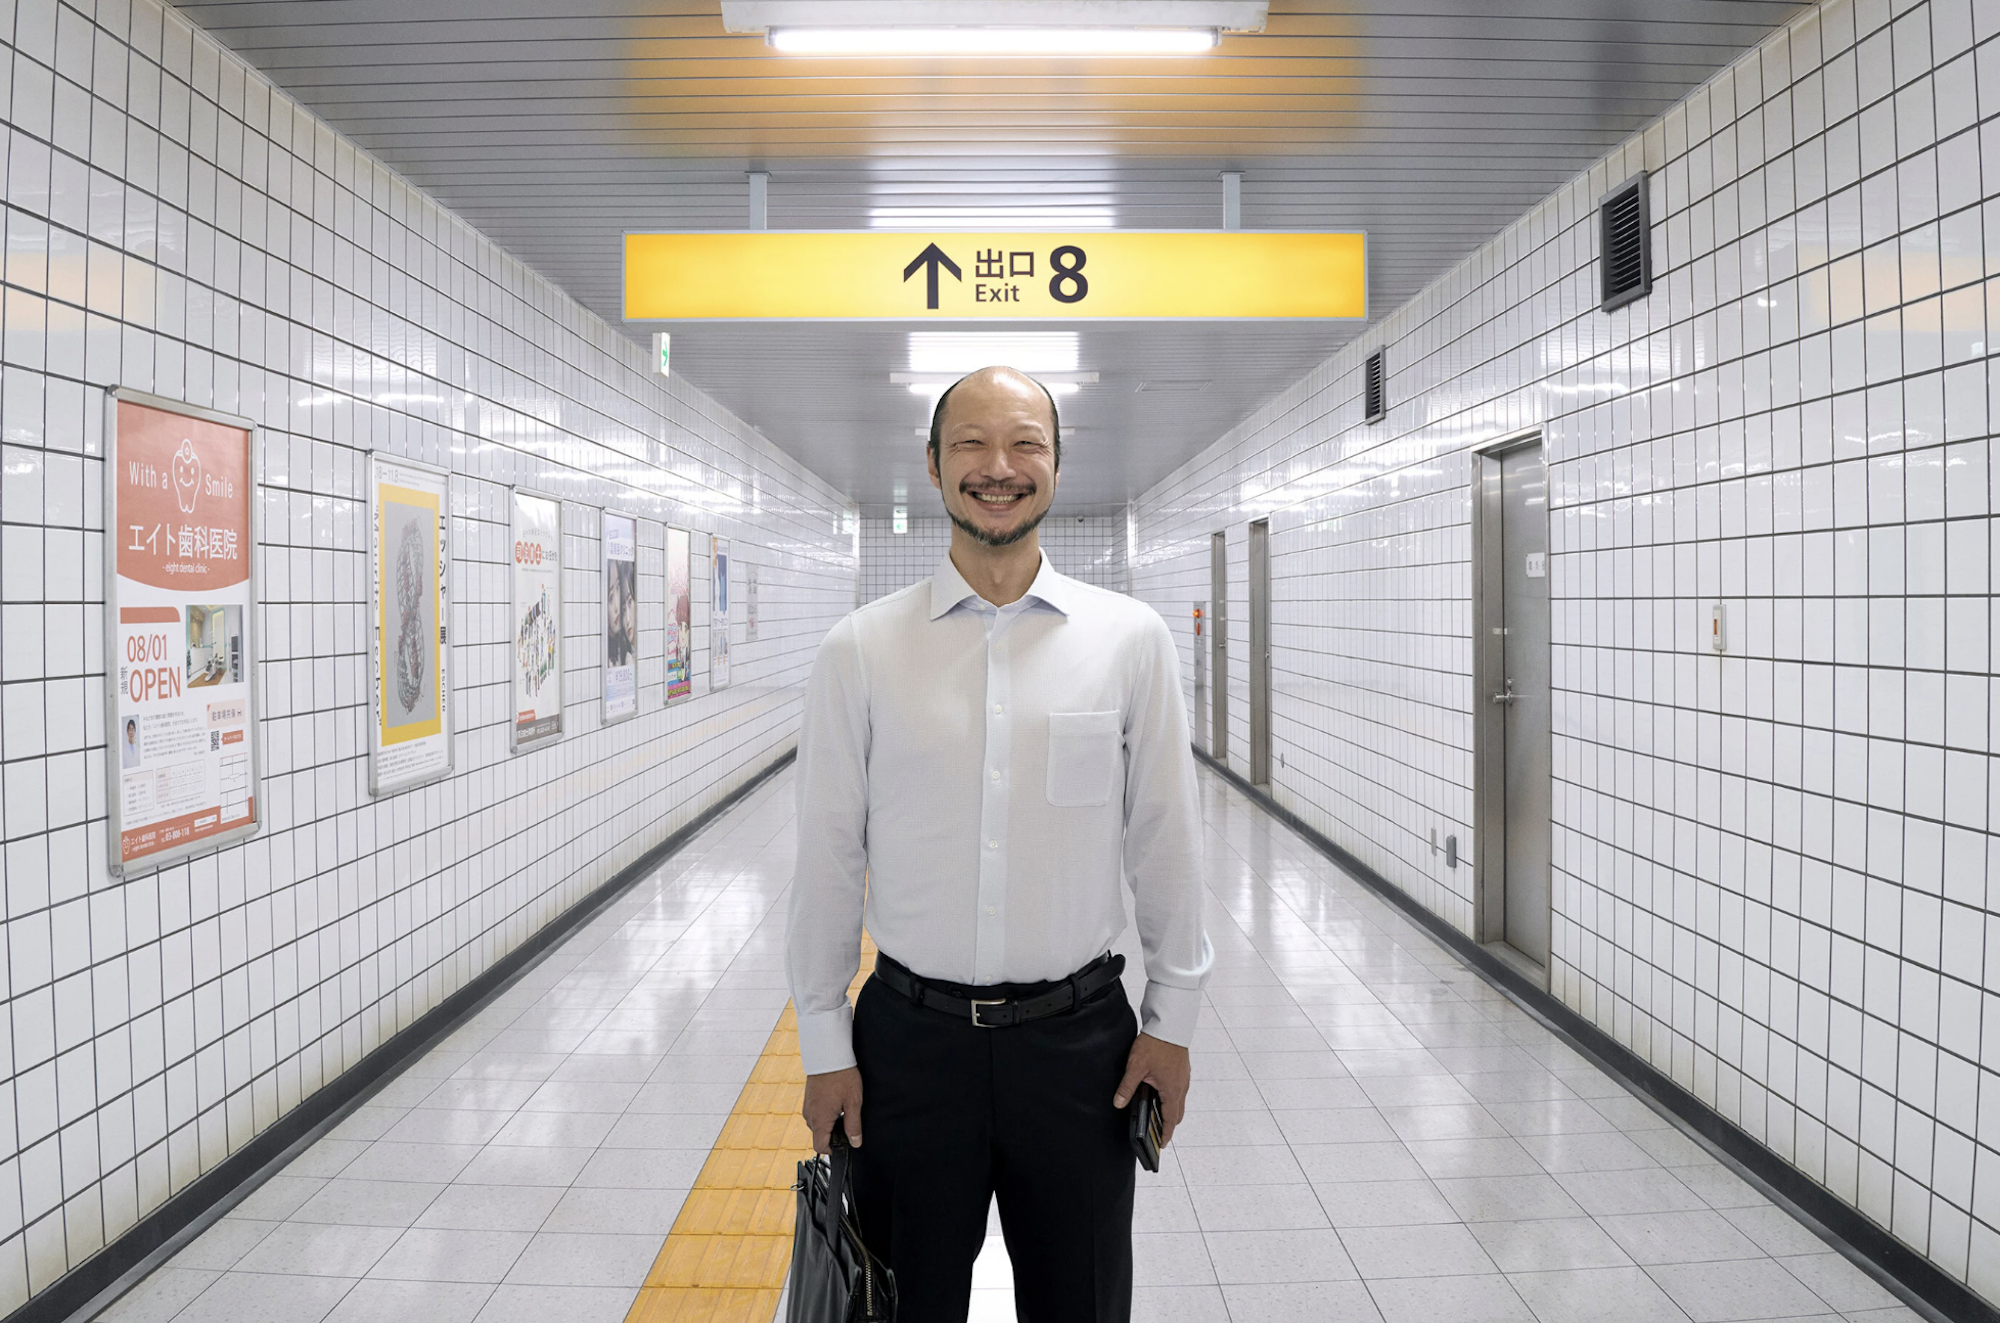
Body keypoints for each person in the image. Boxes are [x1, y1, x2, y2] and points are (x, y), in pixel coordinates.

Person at [787, 365, 1212, 1322]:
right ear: (933, 466)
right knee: (898, 1304)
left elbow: (1167, 844)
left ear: (1057, 465)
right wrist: (824, 1038)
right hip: (907, 1048)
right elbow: (825, 861)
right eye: (971, 443)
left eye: (1026, 442)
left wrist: (1171, 1018)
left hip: (1082, 1053)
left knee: (1083, 1303)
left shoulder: (1130, 640)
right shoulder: (859, 650)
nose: (999, 466)